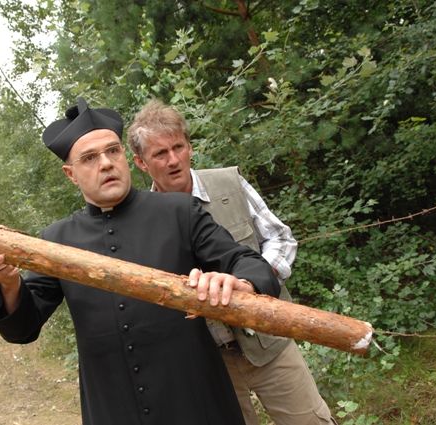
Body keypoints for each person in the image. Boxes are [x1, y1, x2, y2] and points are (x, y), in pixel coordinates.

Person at [0, 98, 282, 425]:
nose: (106, 163)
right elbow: (23, 329)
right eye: (90, 158)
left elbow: (247, 262)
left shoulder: (179, 212)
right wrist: (9, 283)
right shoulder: (55, 240)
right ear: (71, 174)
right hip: (113, 407)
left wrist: (241, 282)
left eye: (113, 151)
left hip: (197, 399)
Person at [127, 99, 336, 425]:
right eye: (160, 154)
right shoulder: (140, 221)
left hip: (269, 341)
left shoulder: (229, 184)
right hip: (207, 364)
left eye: (178, 147)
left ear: (189, 146)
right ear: (141, 162)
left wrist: (252, 284)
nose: (173, 160)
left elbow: (280, 239)